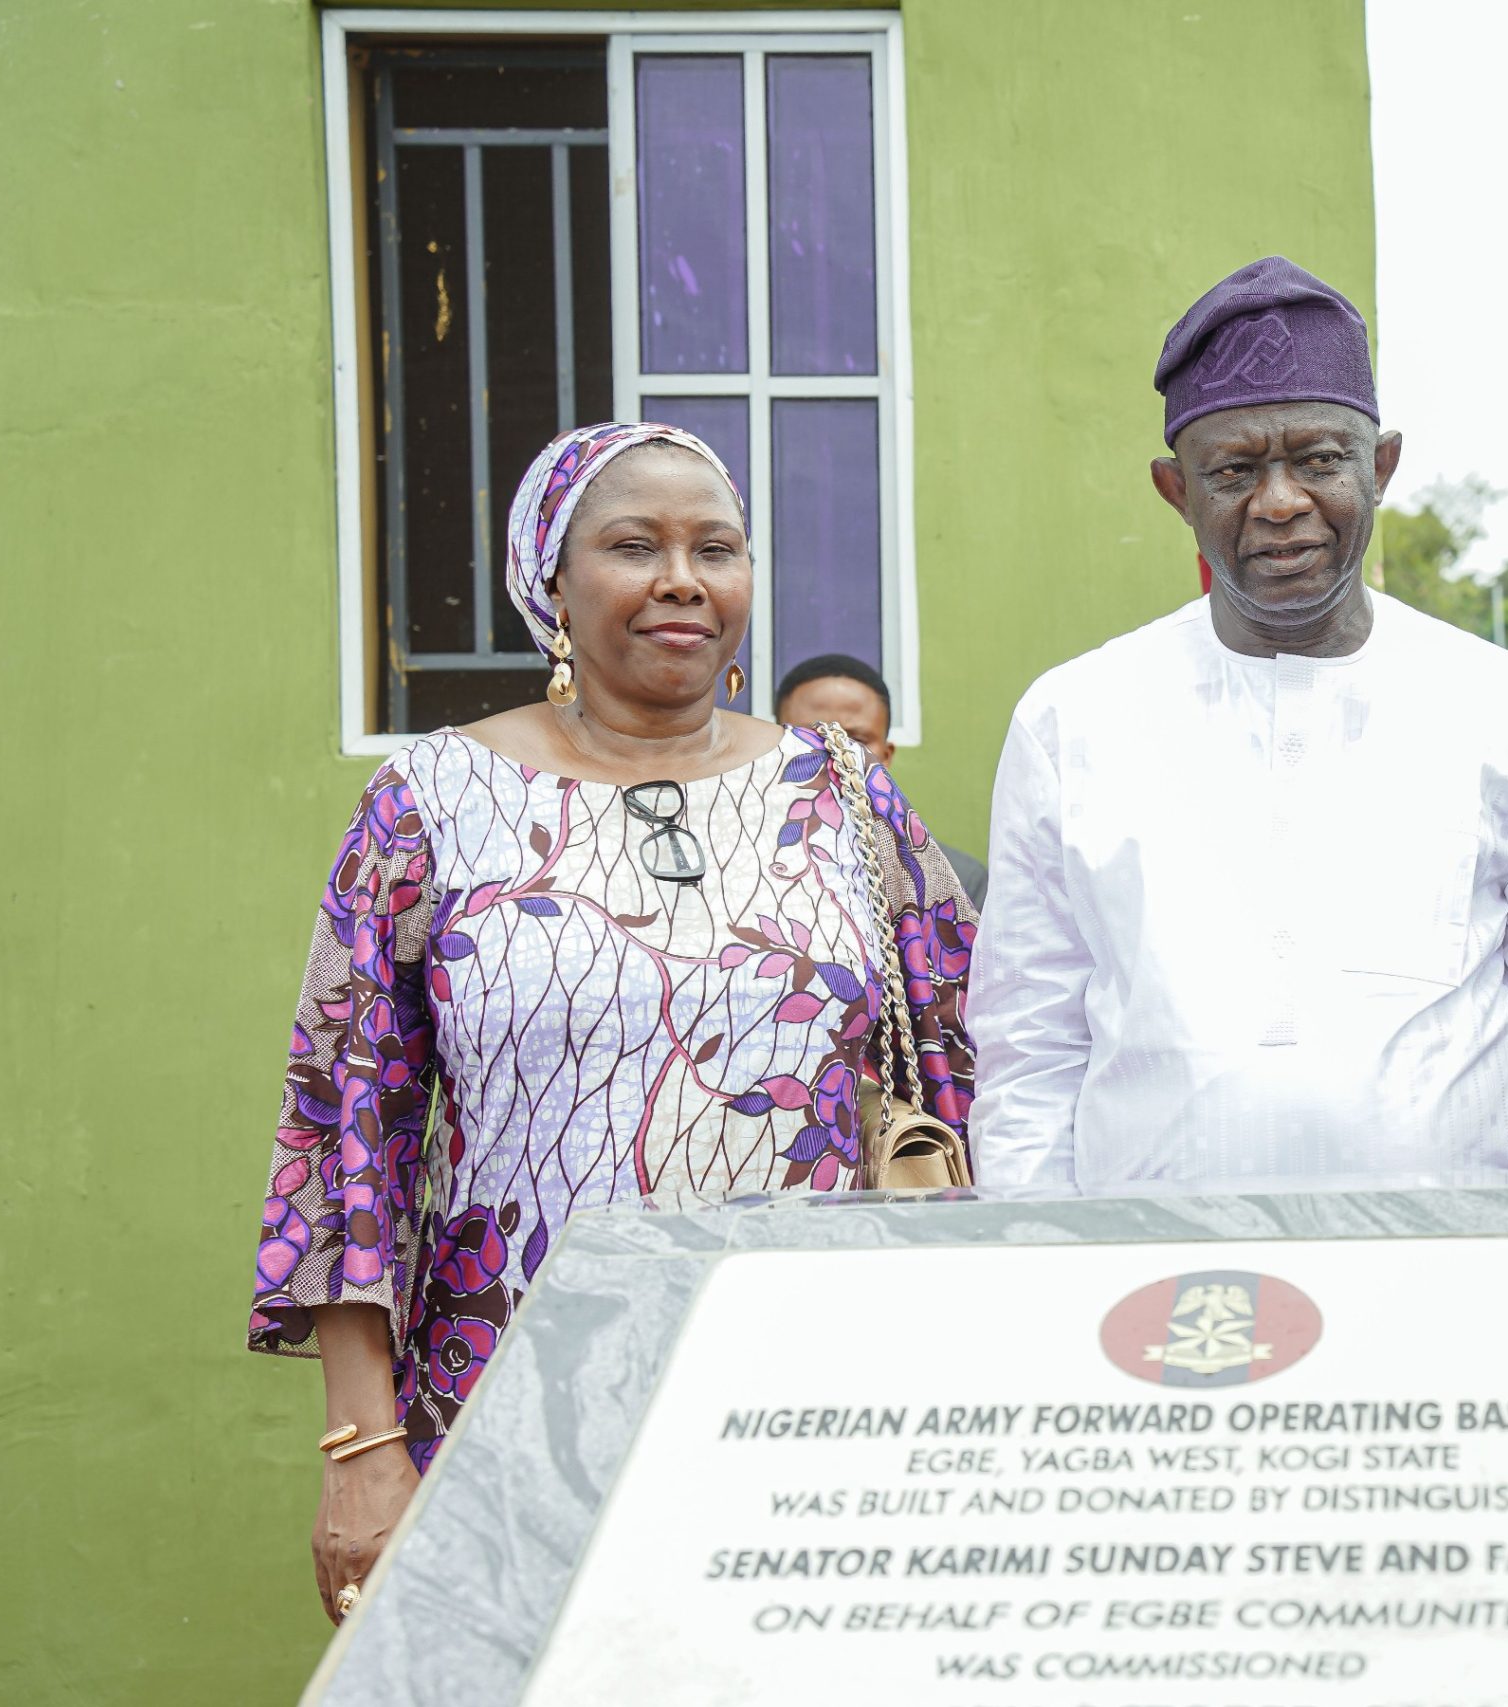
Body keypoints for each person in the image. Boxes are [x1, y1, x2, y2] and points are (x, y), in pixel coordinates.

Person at [248, 422, 976, 1627]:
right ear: (553, 579)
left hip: (813, 1395)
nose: (683, 577)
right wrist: (360, 1443)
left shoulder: (842, 792)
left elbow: (959, 1077)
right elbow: (347, 1122)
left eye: (717, 547)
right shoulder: (430, 800)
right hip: (507, 1403)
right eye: (634, 545)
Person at [966, 256, 1508, 1187]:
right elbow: (1030, 1045)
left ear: (1381, 470)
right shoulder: (1074, 718)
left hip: (1463, 1266)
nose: (1282, 501)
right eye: (1234, 469)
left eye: (1320, 459)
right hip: (1156, 1287)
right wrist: (1042, 1250)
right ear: (1177, 492)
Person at [773, 652, 990, 907]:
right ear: (773, 746)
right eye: (809, 737)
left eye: (855, 741)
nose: (834, 752)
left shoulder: (953, 880)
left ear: (885, 757)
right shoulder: (738, 860)